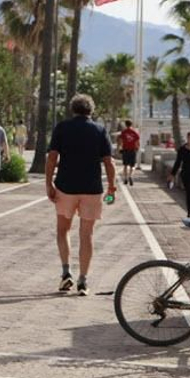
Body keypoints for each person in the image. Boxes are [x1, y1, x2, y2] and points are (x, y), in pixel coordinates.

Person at [45, 93, 118, 296]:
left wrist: (48, 183)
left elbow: (52, 158)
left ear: (73, 109)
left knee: (63, 230)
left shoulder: (62, 128)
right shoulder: (100, 130)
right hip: (92, 188)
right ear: (91, 111)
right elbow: (109, 162)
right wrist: (112, 187)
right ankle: (83, 281)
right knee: (87, 234)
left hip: (65, 186)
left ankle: (66, 272)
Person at [117, 119, 141, 186]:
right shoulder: (135, 132)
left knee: (125, 165)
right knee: (132, 166)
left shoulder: (123, 132)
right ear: (131, 124)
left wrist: (119, 148)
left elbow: (120, 141)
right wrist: (137, 148)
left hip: (125, 150)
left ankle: (125, 178)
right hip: (132, 150)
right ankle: (130, 176)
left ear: (125, 124)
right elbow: (137, 142)